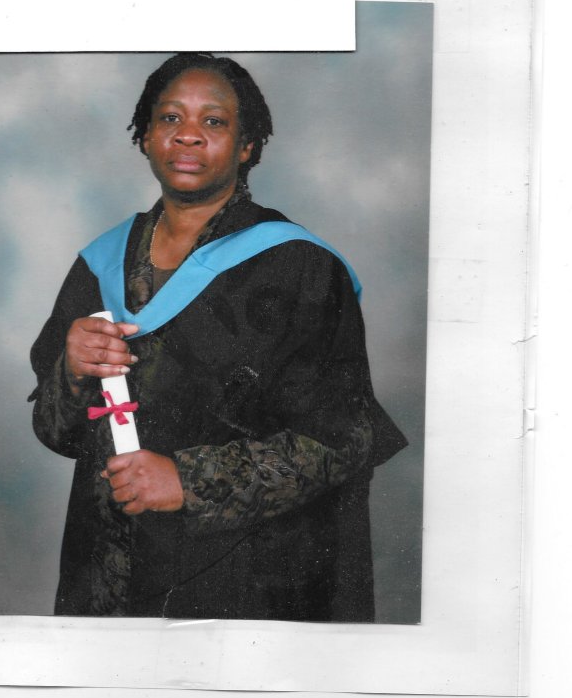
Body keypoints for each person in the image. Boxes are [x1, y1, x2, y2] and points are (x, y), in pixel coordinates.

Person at [29, 52, 407, 622]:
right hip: (108, 578)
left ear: (247, 145)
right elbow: (56, 432)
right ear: (146, 136)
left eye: (214, 121)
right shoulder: (100, 264)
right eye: (170, 118)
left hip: (246, 583)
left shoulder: (299, 267)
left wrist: (188, 480)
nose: (188, 135)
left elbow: (345, 441)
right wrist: (72, 371)